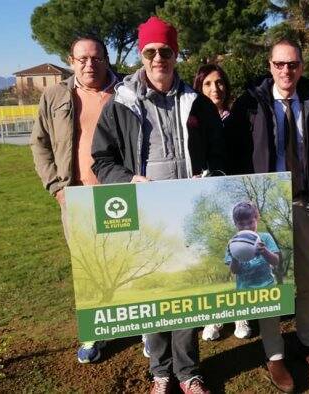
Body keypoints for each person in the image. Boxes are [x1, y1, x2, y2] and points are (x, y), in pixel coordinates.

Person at [91, 16, 224, 394]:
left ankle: (189, 372)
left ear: (176, 53)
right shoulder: (121, 102)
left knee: (186, 294)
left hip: (189, 210)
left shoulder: (196, 101)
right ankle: (160, 371)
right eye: (150, 52)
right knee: (151, 293)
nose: (158, 58)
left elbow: (218, 152)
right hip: (145, 212)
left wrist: (210, 176)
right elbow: (102, 160)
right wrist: (130, 180)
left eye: (165, 51)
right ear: (141, 54)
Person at [226, 38, 309, 392]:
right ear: (270, 66)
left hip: (302, 205)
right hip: (266, 208)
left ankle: (308, 345)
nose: (286, 70)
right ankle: (274, 354)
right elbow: (232, 151)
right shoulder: (251, 104)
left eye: (293, 64)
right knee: (269, 284)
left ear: (301, 66)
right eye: (279, 64)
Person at [29, 35, 118, 364]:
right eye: (82, 59)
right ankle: (95, 332)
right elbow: (39, 144)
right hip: (77, 195)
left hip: (122, 192)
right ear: (70, 61)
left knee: (127, 262)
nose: (89, 65)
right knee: (88, 268)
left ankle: (139, 328)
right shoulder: (55, 95)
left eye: (95, 58)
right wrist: (56, 186)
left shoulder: (125, 92)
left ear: (105, 59)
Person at [193, 65, 252, 341]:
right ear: (199, 87)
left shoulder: (237, 117)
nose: (215, 89)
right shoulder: (192, 120)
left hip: (234, 196)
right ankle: (214, 318)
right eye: (207, 84)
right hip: (206, 198)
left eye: (219, 83)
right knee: (213, 256)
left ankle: (241, 315)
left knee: (237, 255)